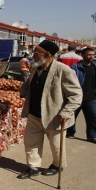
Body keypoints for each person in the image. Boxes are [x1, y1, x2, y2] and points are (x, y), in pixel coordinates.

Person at [17, 40, 82, 179]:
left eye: (36, 52)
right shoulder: (35, 68)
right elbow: (28, 83)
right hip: (34, 114)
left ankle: (57, 166)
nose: (32, 55)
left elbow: (76, 94)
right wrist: (23, 91)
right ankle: (33, 167)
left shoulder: (63, 70)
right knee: (31, 142)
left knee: (56, 146)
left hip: (54, 116)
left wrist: (66, 111)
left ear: (46, 54)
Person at [67, 47, 96, 144]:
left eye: (93, 54)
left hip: (90, 98)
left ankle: (92, 136)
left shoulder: (95, 68)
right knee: (72, 116)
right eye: (89, 54)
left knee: (93, 117)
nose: (91, 56)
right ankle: (70, 132)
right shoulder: (75, 68)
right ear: (82, 55)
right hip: (76, 97)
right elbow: (68, 82)